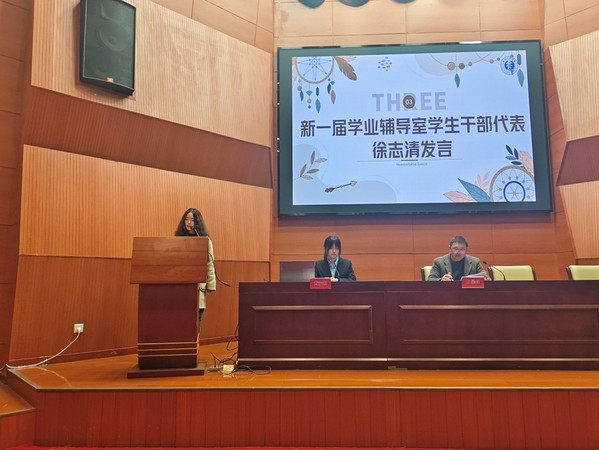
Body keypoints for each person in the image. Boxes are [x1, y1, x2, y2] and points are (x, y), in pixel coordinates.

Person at [175, 208, 216, 333]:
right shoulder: (178, 239)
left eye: (192, 220)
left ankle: (195, 343)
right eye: (186, 219)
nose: (189, 222)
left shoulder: (205, 240)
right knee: (180, 321)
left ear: (198, 223)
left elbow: (209, 264)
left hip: (198, 288)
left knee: (196, 320)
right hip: (181, 287)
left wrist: (211, 285)